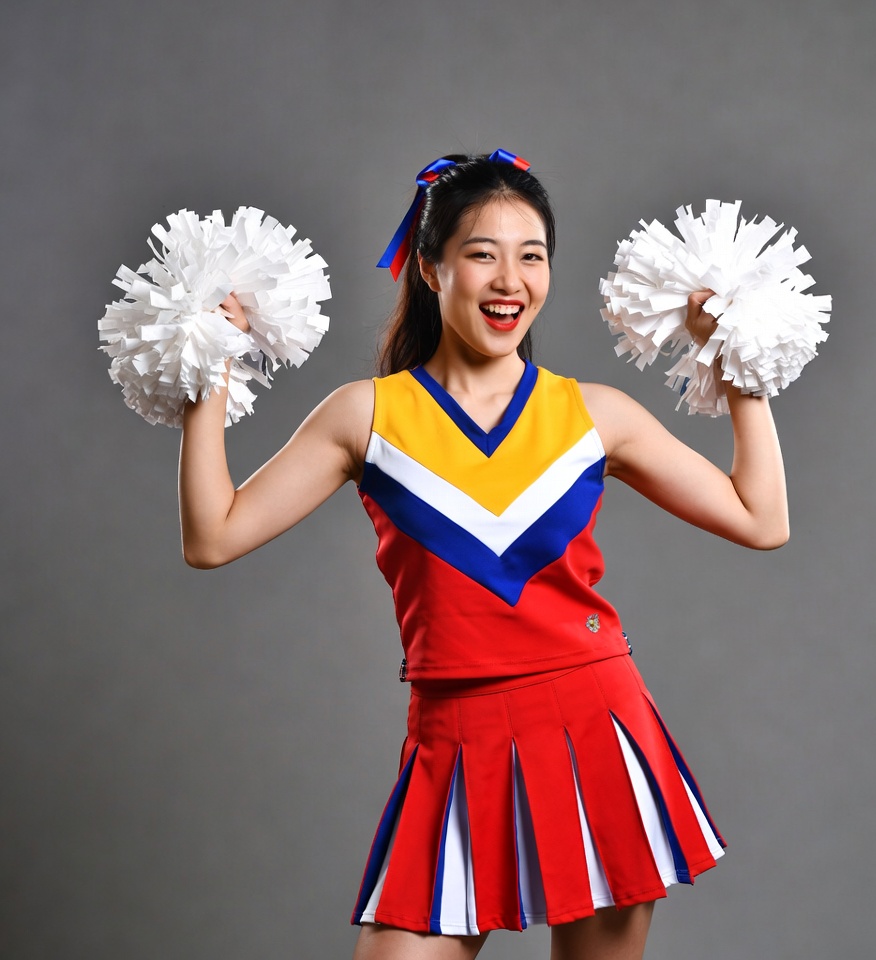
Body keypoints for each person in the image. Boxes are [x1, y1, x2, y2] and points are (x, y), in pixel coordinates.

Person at [178, 151, 789, 960]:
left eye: (531, 256)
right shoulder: (365, 416)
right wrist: (203, 363)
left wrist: (741, 359)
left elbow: (761, 517)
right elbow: (212, 536)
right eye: (482, 254)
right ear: (432, 269)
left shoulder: (593, 415)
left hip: (594, 728)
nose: (510, 280)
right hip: (453, 740)